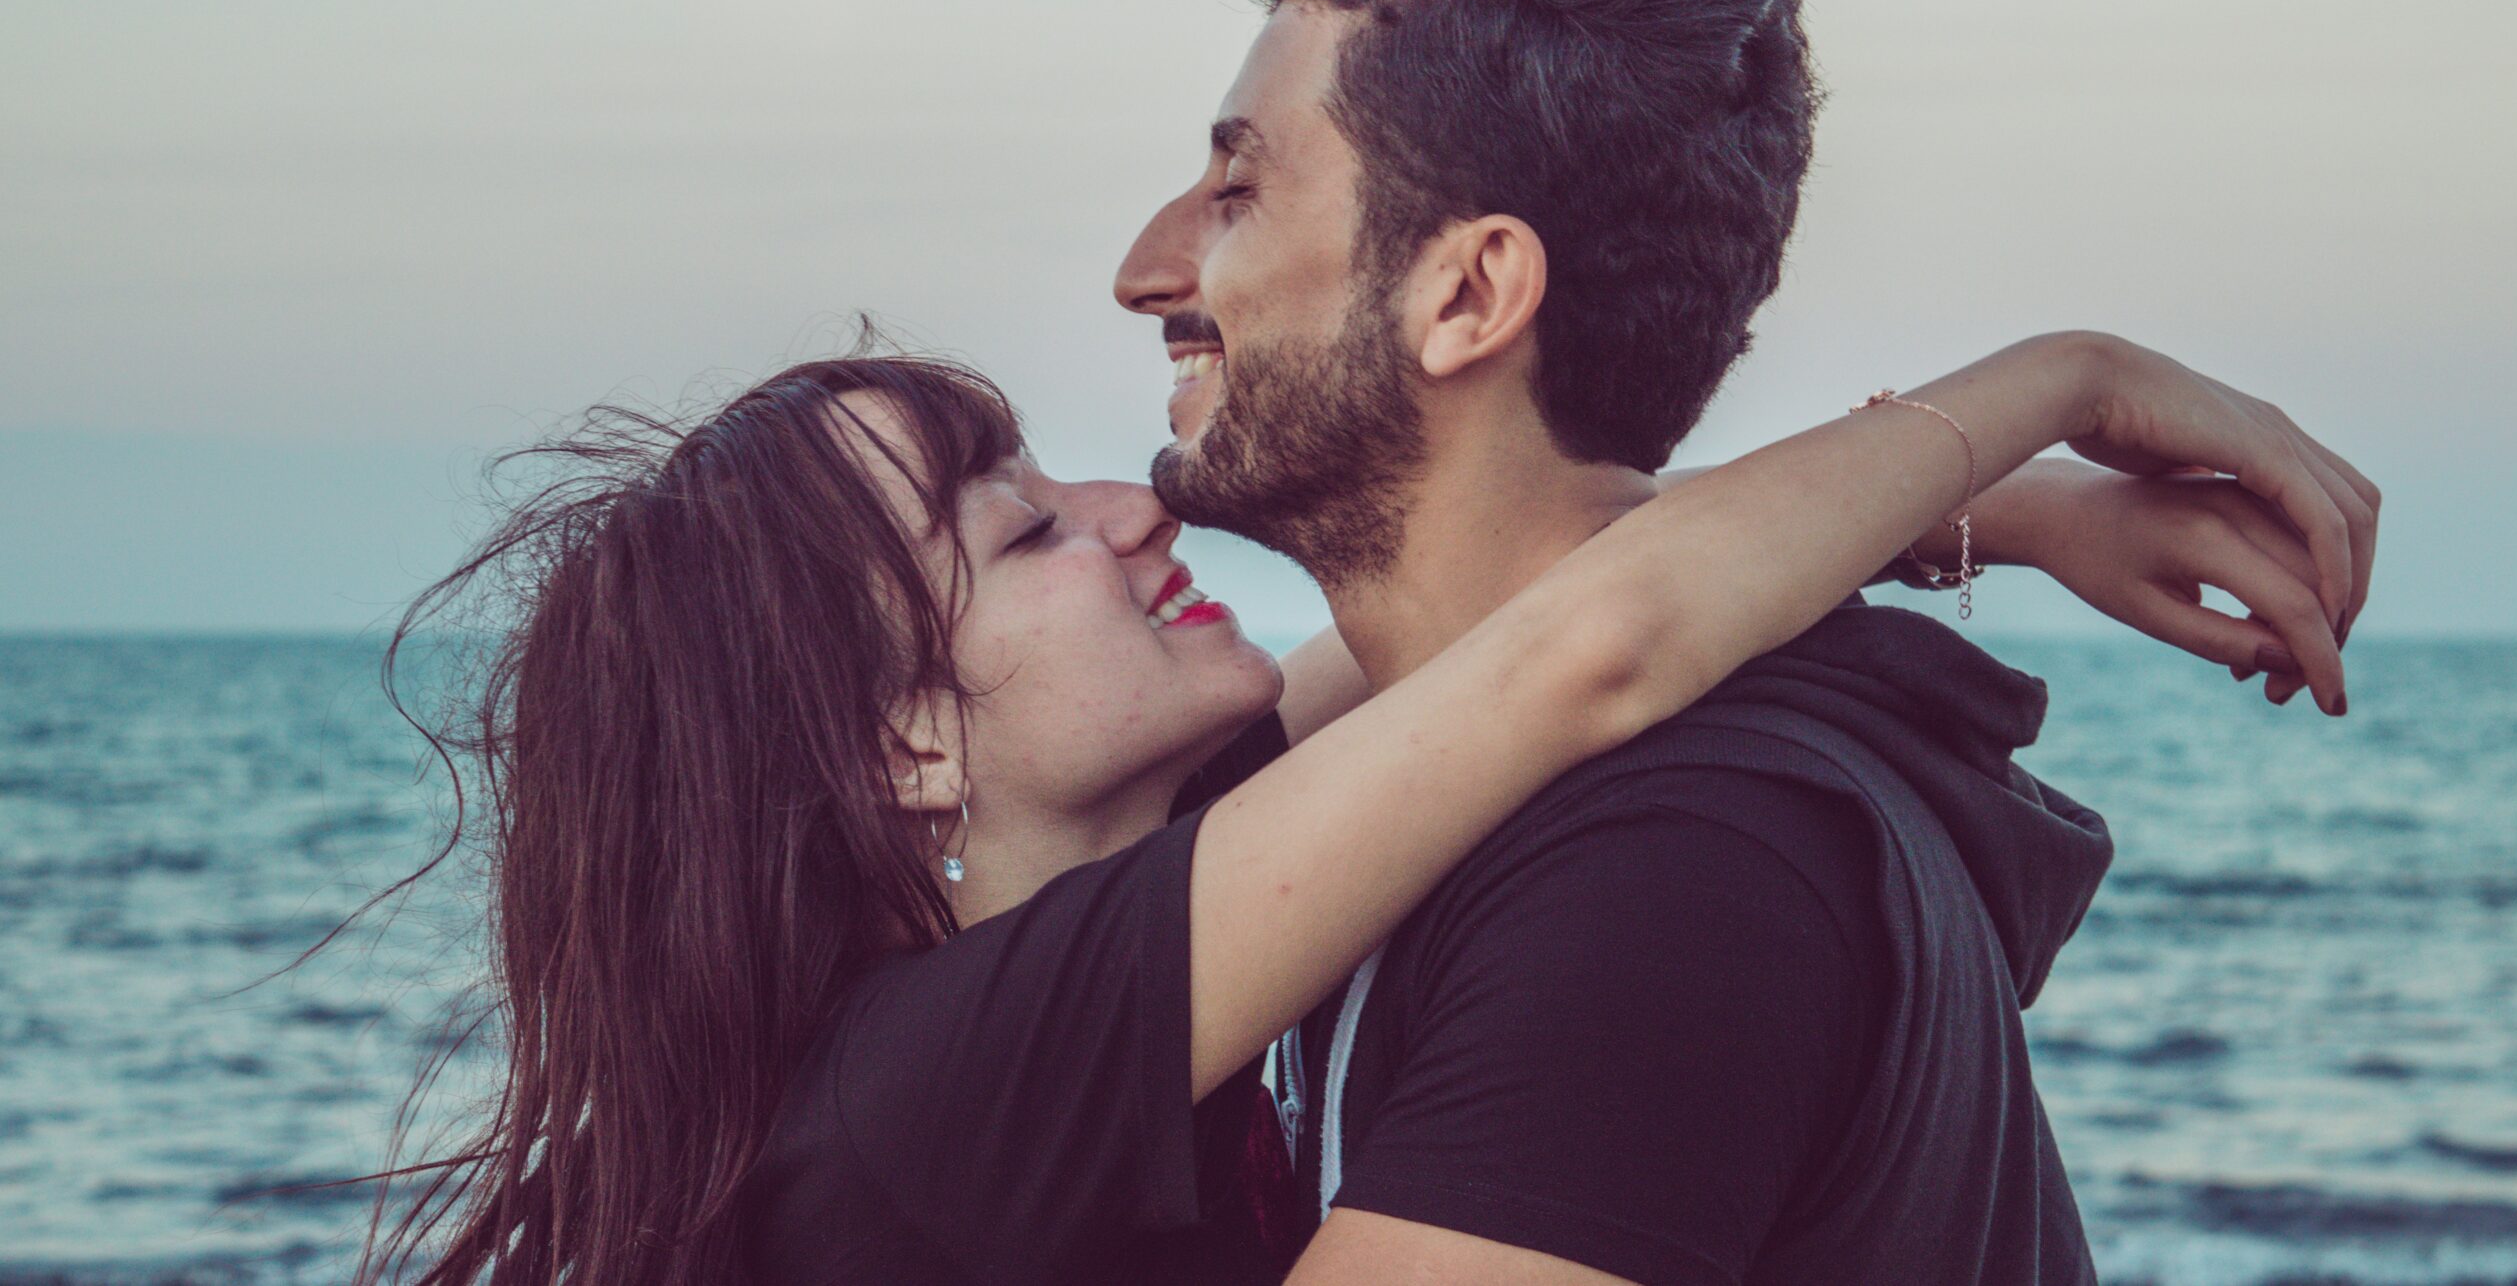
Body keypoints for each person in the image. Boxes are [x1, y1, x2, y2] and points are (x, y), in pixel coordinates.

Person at [354, 329, 2360, 1286]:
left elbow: (1528, 592)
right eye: (1025, 528)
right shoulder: (933, 1079)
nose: (1136, 502)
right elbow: (1585, 653)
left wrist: (2012, 519)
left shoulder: (1165, 875)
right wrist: (2065, 385)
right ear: (904, 751)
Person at [1113, 0, 2381, 1284]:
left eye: (1238, 191)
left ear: (1467, 296)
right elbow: (1607, 588)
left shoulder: (1666, 878)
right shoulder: (1409, 767)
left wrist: (2036, 431)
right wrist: (2012, 500)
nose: (1149, 269)